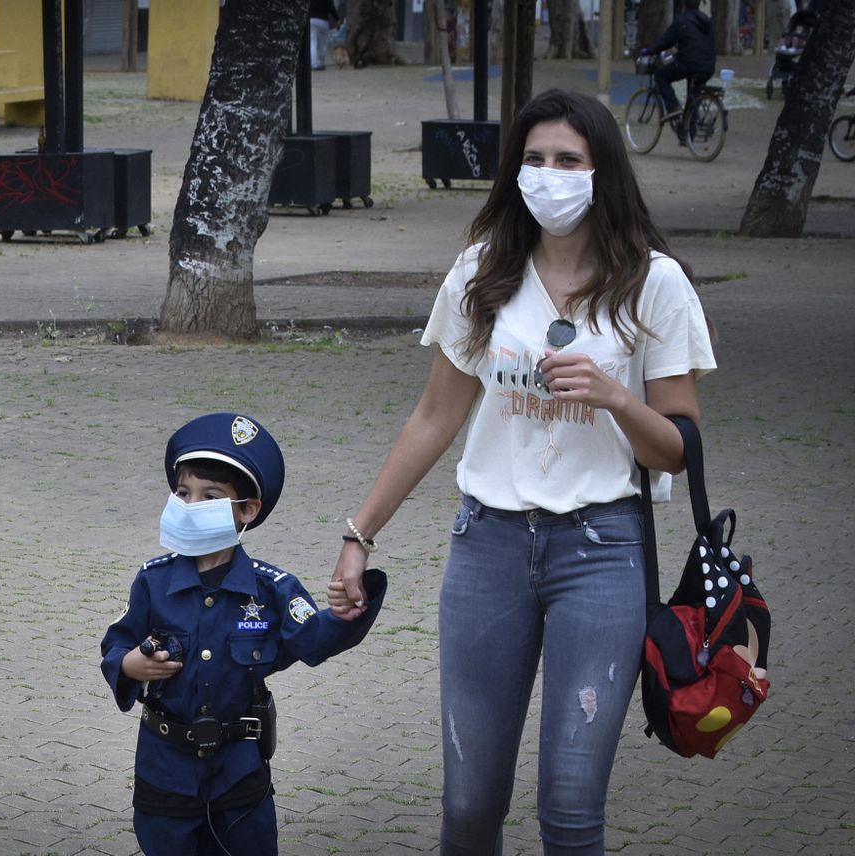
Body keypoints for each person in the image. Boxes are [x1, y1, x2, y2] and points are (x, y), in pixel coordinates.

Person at [326, 88, 714, 855]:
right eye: (533, 160)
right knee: (470, 803)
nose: (548, 174)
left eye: (568, 159)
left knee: (570, 808)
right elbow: (434, 417)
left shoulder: (654, 282)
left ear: (603, 172)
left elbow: (679, 445)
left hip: (602, 552)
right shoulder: (484, 269)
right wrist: (358, 533)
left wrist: (611, 396)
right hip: (487, 549)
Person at [102, 413, 387, 856]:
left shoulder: (272, 588)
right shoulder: (152, 581)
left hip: (238, 776)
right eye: (182, 493)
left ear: (248, 510)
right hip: (165, 772)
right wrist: (129, 665)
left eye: (209, 496)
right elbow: (116, 643)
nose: (189, 504)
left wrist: (349, 611)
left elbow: (311, 640)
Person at [646, 0, 717, 133]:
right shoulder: (707, 21)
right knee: (694, 94)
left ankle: (673, 107)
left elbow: (666, 41)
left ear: (684, 4)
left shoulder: (682, 21)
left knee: (661, 76)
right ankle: (688, 133)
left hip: (689, 63)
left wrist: (649, 51)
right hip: (708, 65)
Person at [309, 0, 342, 69]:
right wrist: (337, 19)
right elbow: (332, 8)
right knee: (323, 44)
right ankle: (321, 63)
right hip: (323, 21)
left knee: (313, 43)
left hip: (312, 20)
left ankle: (314, 63)